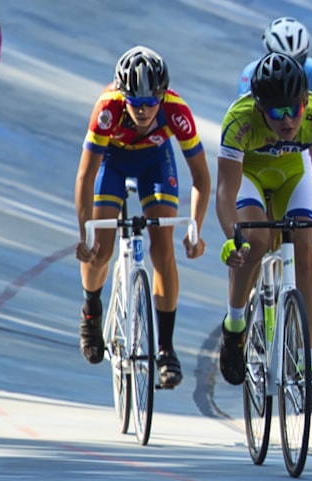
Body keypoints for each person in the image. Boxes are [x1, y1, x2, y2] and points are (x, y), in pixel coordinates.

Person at [216, 52, 312, 409]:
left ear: (306, 102)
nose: (287, 120)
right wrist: (233, 238)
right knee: (257, 239)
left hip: (294, 174)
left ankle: (308, 366)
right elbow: (225, 192)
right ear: (259, 108)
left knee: (306, 247)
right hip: (251, 174)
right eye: (276, 113)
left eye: (294, 110)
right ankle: (234, 327)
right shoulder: (239, 120)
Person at [74, 45, 210, 389]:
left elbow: (202, 178)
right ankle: (91, 309)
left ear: (163, 96)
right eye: (137, 104)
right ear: (124, 96)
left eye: (153, 103)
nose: (146, 111)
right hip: (113, 162)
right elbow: (85, 177)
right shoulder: (107, 109)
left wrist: (196, 229)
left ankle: (165, 348)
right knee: (101, 249)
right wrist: (84, 234)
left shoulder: (177, 110)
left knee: (162, 248)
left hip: (154, 162)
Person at [237, 17, 312, 277]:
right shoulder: (251, 74)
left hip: (300, 131)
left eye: (299, 60)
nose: (291, 67)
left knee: (311, 155)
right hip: (263, 139)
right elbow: (247, 121)